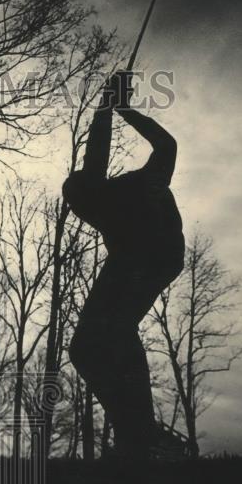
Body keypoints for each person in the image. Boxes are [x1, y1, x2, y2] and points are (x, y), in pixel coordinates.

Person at [63, 70, 185, 461]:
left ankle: (141, 433)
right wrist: (120, 107)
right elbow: (164, 143)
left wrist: (110, 105)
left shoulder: (105, 197)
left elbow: (96, 156)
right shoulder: (128, 187)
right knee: (90, 345)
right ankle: (138, 431)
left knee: (98, 340)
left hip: (149, 258)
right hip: (151, 259)